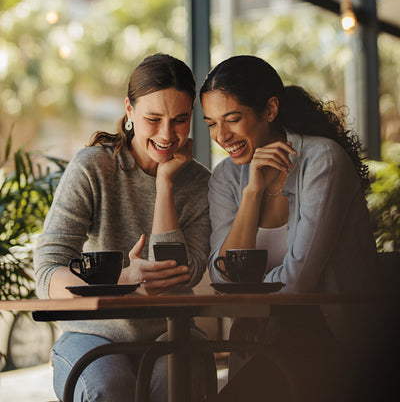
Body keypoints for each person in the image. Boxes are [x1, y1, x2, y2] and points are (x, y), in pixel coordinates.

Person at [200, 55, 382, 401]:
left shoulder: (322, 160)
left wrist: (247, 296)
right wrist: (252, 192)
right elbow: (223, 279)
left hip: (331, 338)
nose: (221, 136)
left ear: (270, 109)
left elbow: (298, 283)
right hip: (259, 341)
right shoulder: (226, 177)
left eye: (233, 119)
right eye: (211, 123)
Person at [34, 53, 212, 402]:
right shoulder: (94, 167)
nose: (167, 134)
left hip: (170, 333)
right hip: (92, 335)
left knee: (175, 382)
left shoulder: (200, 183)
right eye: (153, 118)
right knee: (109, 386)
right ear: (129, 110)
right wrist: (120, 283)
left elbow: (181, 274)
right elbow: (47, 269)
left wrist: (165, 185)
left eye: (180, 119)